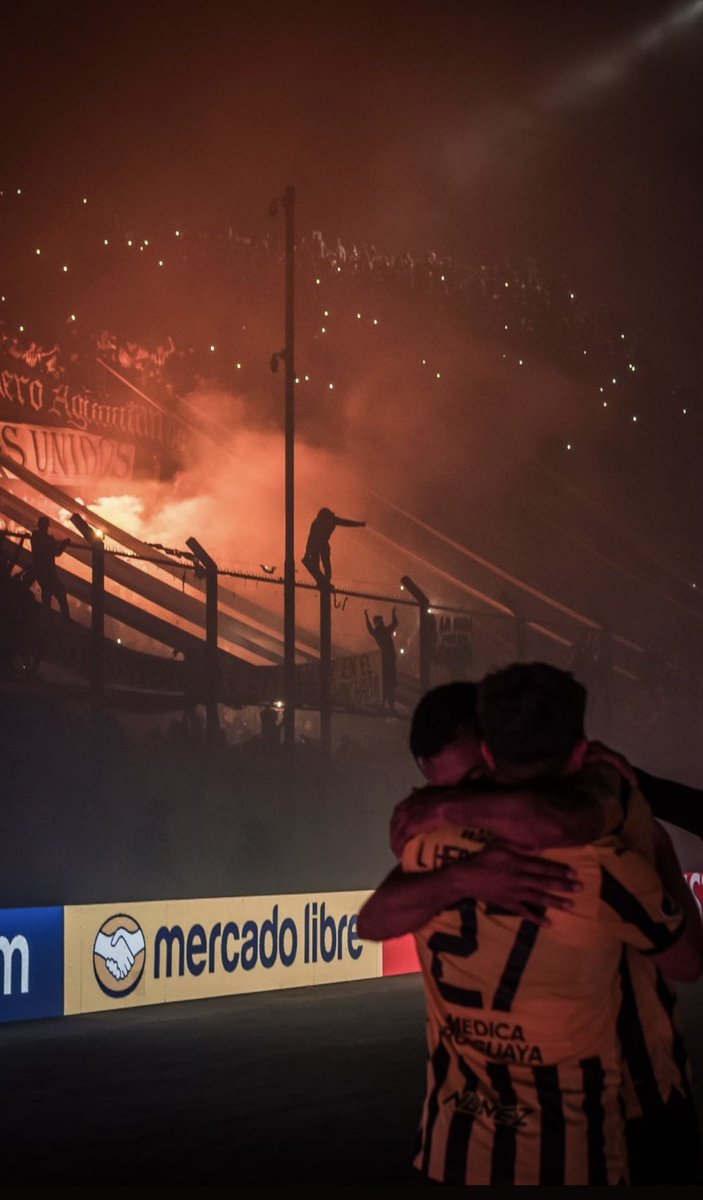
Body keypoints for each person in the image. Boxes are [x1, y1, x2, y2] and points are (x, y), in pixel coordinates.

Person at [358, 664, 703, 1185]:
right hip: (571, 1131)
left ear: (493, 752)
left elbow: (373, 920)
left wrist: (446, 820)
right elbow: (373, 920)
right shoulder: (594, 844)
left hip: (628, 1095)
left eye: (473, 782)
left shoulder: (597, 804)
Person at [301, 507, 365, 588]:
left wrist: (359, 524)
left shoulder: (330, 520)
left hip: (322, 544)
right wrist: (307, 552)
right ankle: (321, 581)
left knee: (326, 564)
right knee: (317, 564)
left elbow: (345, 523)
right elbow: (311, 538)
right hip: (316, 544)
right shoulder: (317, 522)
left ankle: (325, 581)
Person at [29, 516, 71, 621]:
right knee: (56, 592)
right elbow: (56, 552)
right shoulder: (42, 539)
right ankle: (59, 618)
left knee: (51, 592)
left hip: (41, 571)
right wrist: (63, 544)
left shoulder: (36, 537)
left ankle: (50, 617)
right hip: (46, 571)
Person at [365, 607, 398, 709]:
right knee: (390, 681)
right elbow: (395, 624)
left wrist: (366, 616)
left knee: (386, 681)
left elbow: (370, 629)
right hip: (388, 659)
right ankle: (388, 702)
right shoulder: (383, 631)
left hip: (386, 659)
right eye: (381, 621)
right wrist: (393, 613)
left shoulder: (379, 632)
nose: (382, 622)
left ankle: (385, 702)